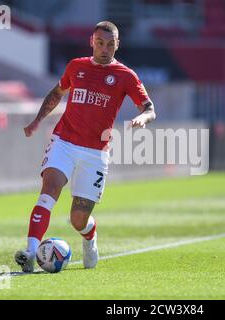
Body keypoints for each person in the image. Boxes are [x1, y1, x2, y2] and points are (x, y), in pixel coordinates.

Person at [15, 21, 156, 272]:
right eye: (100, 43)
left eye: (110, 44)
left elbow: (149, 108)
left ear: (117, 45)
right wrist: (37, 120)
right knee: (49, 190)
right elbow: (57, 92)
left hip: (95, 153)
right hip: (64, 142)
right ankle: (30, 252)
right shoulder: (76, 66)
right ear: (92, 41)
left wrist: (141, 118)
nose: (105, 49)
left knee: (77, 219)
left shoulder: (126, 75)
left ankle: (90, 238)